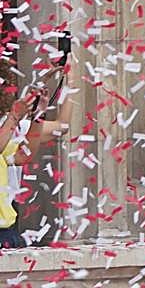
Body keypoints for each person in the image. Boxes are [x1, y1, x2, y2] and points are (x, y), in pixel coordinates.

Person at [0, 55, 71, 248]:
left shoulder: (6, 126)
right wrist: (14, 116)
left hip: (5, 233)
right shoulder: (8, 124)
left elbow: (23, 155)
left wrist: (38, 115)